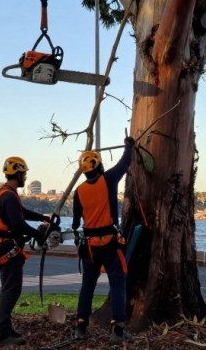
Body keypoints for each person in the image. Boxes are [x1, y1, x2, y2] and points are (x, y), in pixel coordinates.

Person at [72, 136, 135, 344]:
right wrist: (129, 145)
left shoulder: (79, 191)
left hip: (89, 245)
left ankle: (81, 326)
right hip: (109, 241)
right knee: (117, 282)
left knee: (87, 285)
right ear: (99, 166)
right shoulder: (107, 180)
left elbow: (74, 222)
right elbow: (125, 164)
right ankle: (117, 329)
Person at [0, 156, 52, 346]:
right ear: (18, 174)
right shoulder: (8, 196)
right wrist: (38, 235)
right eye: (24, 173)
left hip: (5, 245)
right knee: (11, 290)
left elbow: (22, 213)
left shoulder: (6, 193)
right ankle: (2, 334)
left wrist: (43, 217)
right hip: (8, 247)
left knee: (9, 289)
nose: (25, 176)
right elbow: (18, 223)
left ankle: (6, 329)